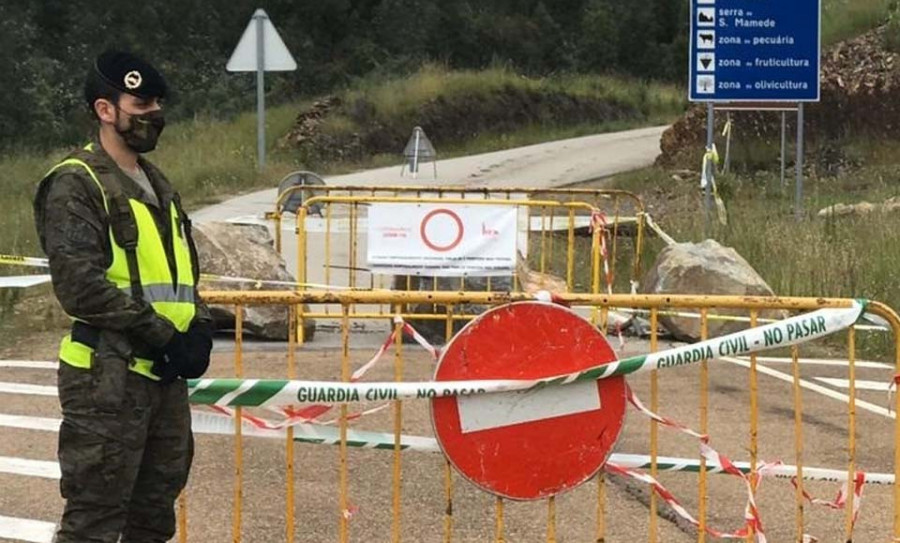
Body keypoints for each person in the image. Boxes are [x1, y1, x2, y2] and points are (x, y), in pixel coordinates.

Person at [32, 50, 214, 543]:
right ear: (105, 110)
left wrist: (198, 325)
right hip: (107, 381)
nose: (153, 113)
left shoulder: (159, 185)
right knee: (94, 521)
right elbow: (80, 286)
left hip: (163, 378)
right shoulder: (78, 183)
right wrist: (161, 334)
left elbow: (181, 273)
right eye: (140, 102)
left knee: (153, 519)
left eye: (155, 102)